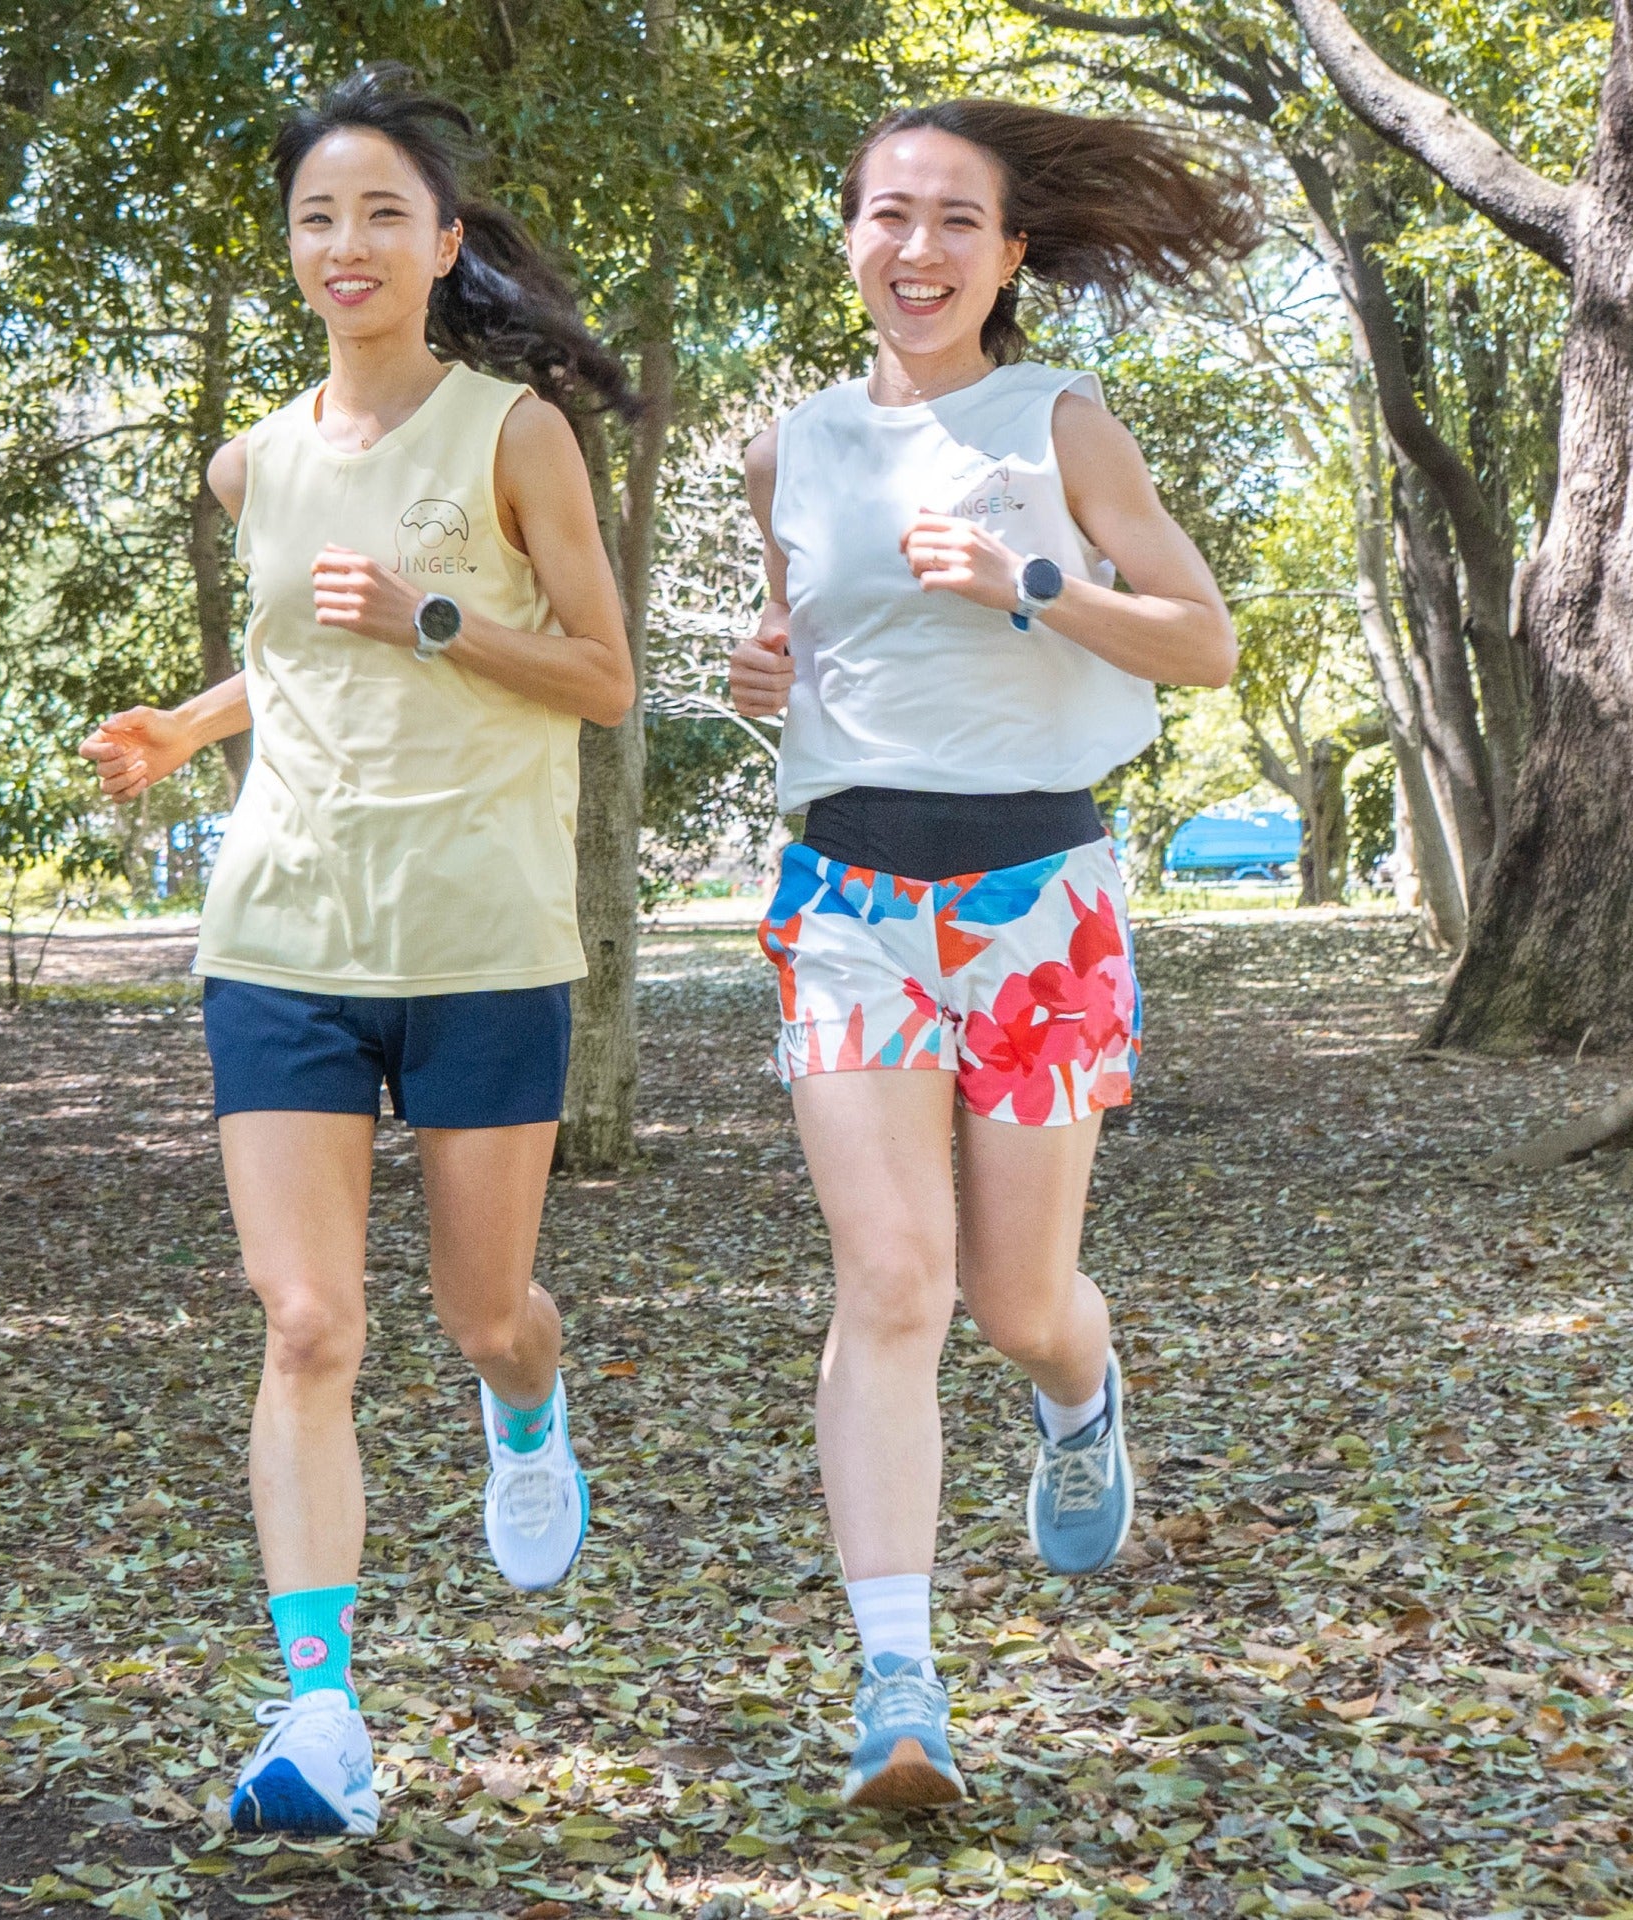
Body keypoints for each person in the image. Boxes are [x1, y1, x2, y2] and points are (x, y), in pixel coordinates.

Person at [78, 66, 635, 1838]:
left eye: (383, 212)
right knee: (308, 1320)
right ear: (294, 249)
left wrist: (438, 613)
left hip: (482, 935)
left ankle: (530, 1407)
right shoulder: (255, 459)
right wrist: (190, 722)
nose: (347, 243)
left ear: (443, 243)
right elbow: (309, 657)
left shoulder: (513, 434)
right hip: (284, 932)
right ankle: (320, 1714)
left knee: (483, 1310)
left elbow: (606, 679)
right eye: (320, 216)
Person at [730, 100, 1259, 1809]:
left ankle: (1081, 1390)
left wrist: (1033, 580)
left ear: (1011, 254)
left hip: (1038, 893)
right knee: (893, 1280)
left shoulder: (1060, 421)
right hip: (846, 901)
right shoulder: (787, 444)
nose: (921, 248)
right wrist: (771, 673)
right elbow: (819, 647)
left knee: (1014, 1301)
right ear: (850, 237)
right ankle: (901, 1689)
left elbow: (1206, 642)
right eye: (892, 214)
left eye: (961, 220)